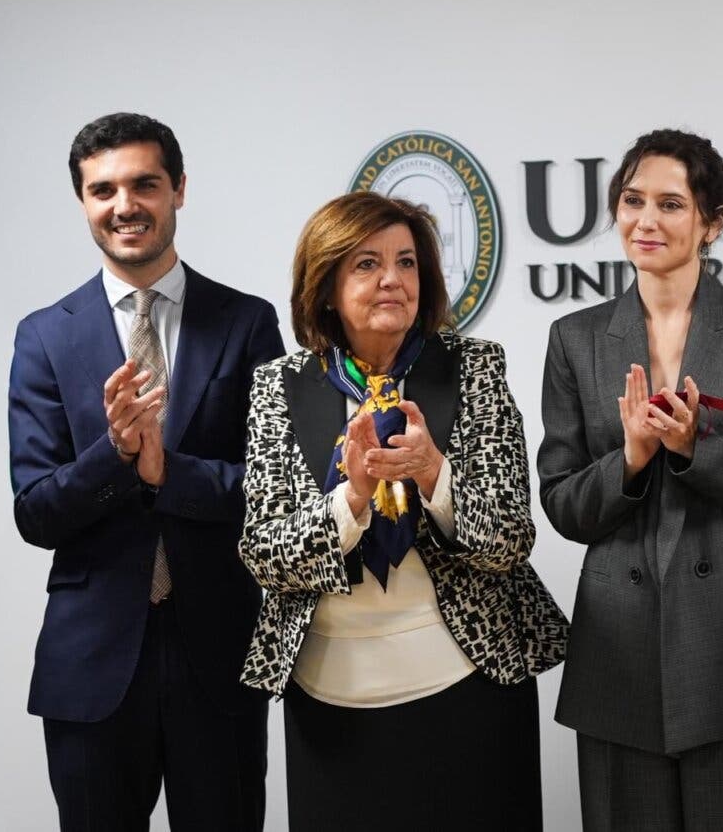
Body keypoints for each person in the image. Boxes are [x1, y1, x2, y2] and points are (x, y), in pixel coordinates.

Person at [237, 191, 567, 831]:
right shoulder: (277, 385)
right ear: (326, 285)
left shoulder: (474, 367)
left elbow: (509, 537)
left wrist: (433, 472)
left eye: (407, 262)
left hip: (468, 688)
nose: (392, 279)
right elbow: (265, 555)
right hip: (331, 702)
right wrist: (352, 498)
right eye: (366, 264)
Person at [539, 129, 723, 831]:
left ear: (712, 223)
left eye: (670, 203)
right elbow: (564, 504)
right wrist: (631, 458)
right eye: (633, 201)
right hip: (619, 667)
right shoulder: (575, 337)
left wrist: (698, 448)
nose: (646, 220)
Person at [8, 112, 284, 830]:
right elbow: (35, 510)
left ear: (179, 190)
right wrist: (118, 457)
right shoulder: (44, 335)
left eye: (143, 184)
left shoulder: (247, 323)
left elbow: (274, 492)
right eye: (102, 190)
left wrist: (167, 471)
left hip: (217, 657)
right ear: (83, 202)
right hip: (91, 665)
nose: (124, 205)